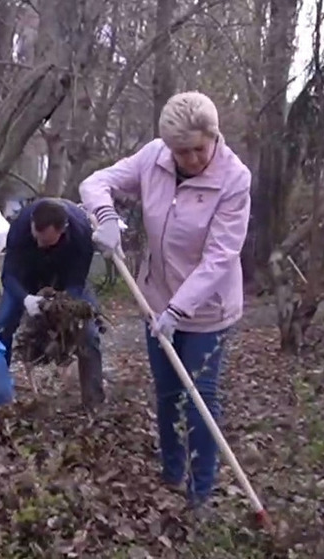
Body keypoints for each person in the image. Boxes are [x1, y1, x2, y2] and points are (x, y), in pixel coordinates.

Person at [79, 91, 251, 511]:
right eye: (181, 151)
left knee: (200, 398)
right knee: (168, 392)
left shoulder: (234, 179)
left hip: (207, 310)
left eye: (198, 149)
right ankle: (172, 474)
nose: (190, 159)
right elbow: (94, 182)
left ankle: (201, 493)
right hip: (154, 298)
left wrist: (180, 310)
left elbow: (220, 257)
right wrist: (105, 218)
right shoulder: (153, 158)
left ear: (214, 137)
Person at [0, 198, 105, 408]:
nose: (40, 244)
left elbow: (77, 280)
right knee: (1, 325)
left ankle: (93, 402)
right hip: (26, 277)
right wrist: (26, 299)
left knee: (89, 333)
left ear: (63, 230)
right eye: (37, 238)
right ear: (33, 224)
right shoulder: (21, 225)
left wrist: (61, 306)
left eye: (47, 242)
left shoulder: (81, 232)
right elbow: (9, 275)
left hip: (65, 278)